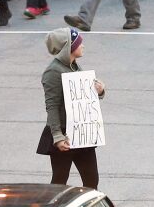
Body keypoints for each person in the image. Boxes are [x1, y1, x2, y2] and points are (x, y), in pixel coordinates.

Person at [36, 27, 104, 186]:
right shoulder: (53, 71)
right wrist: (58, 136)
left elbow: (83, 97)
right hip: (64, 135)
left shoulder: (74, 66)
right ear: (69, 47)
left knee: (92, 180)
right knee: (60, 180)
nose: (83, 46)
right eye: (79, 43)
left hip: (81, 134)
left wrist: (99, 91)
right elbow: (51, 106)